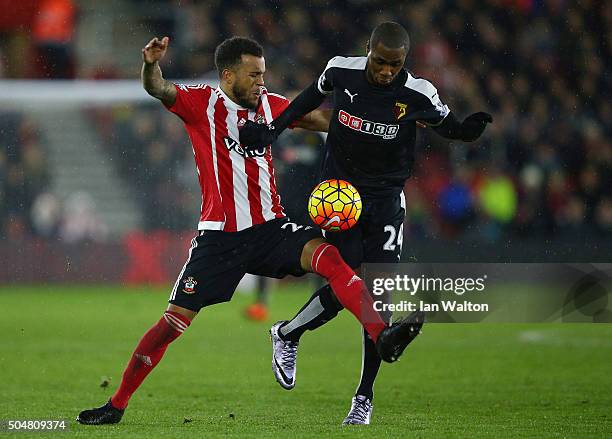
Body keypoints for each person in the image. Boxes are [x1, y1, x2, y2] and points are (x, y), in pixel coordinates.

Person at [76, 35, 423, 425]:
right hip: (220, 237)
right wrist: (150, 65)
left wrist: (390, 118)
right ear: (228, 75)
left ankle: (383, 335)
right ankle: (116, 405)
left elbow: (324, 120)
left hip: (271, 229)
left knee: (333, 260)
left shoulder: (270, 107)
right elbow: (157, 87)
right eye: (254, 75)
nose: (262, 82)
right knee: (172, 324)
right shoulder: (201, 103)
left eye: (264, 74)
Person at [240, 21, 492, 425]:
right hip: (339, 195)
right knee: (348, 283)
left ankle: (360, 395)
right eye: (380, 62)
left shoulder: (418, 92)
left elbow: (448, 126)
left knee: (376, 296)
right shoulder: (341, 70)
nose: (386, 71)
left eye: (395, 64)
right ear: (368, 49)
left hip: (388, 201)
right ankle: (288, 335)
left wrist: (465, 132)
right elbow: (307, 100)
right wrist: (273, 130)